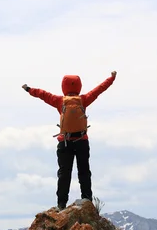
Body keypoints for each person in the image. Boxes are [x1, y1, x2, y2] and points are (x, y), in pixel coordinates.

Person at [22, 71, 117, 210]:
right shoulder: (84, 100)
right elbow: (99, 90)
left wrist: (29, 89)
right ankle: (87, 200)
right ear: (79, 86)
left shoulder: (59, 101)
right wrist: (111, 78)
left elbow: (43, 94)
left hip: (65, 142)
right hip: (82, 140)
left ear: (63, 86)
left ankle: (61, 204)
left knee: (64, 174)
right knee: (84, 171)